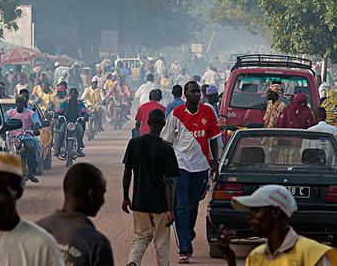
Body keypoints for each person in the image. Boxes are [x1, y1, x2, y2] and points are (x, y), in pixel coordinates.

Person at [161, 81, 220, 263]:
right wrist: (166, 166)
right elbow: (167, 141)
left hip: (201, 166)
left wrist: (214, 162)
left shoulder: (208, 112)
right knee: (181, 206)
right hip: (181, 166)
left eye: (197, 92)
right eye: (192, 92)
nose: (196, 94)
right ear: (185, 94)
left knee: (193, 204)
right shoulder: (176, 114)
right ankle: (185, 249)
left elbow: (213, 138)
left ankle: (188, 229)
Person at [218, 185, 337, 266]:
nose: (249, 216)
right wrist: (230, 258)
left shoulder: (313, 254)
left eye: (256, 210)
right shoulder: (255, 257)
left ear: (275, 212)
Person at [123, 109, 180, 266]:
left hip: (139, 200)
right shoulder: (166, 149)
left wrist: (126, 197)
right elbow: (170, 182)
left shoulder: (134, 143)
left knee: (141, 236)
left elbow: (127, 171)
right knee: (161, 241)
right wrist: (171, 209)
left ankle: (133, 261)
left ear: (147, 123)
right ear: (163, 125)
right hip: (160, 202)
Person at [37, 163, 114, 266]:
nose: (103, 201)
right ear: (91, 194)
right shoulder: (96, 243)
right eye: (101, 194)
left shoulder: (35, 230)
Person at [4, 95, 41, 183]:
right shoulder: (10, 113)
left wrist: (36, 129)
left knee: (31, 148)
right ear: (15, 103)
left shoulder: (30, 113)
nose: (20, 104)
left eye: (22, 102)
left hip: (25, 136)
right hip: (12, 137)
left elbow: (36, 122)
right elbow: (4, 122)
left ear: (25, 103)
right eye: (18, 102)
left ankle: (31, 172)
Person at [54, 88, 89, 158]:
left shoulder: (80, 103)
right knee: (61, 132)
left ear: (77, 95)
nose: (74, 96)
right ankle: (58, 149)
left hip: (77, 122)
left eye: (76, 94)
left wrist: (85, 116)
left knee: (80, 131)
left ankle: (79, 149)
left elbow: (85, 111)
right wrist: (57, 114)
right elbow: (59, 110)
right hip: (66, 122)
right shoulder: (65, 103)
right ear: (70, 95)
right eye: (73, 94)